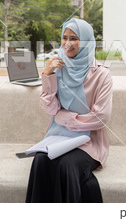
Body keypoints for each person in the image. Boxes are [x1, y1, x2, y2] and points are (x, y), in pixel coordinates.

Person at [25, 18, 113, 203]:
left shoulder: (101, 75)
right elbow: (50, 108)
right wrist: (47, 76)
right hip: (58, 138)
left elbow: (101, 117)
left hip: (89, 142)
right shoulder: (59, 68)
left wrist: (64, 118)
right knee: (41, 161)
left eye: (74, 38)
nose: (67, 43)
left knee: (66, 165)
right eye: (64, 38)